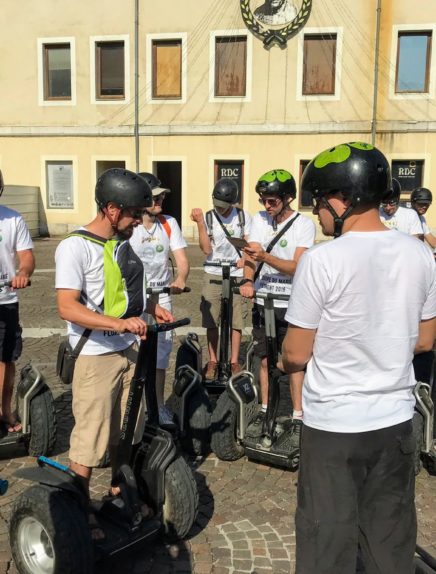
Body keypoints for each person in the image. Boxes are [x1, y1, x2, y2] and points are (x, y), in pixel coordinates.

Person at [281, 142, 436, 573]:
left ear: (341, 199)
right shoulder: (421, 254)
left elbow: (296, 352)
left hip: (334, 426)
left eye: (318, 203)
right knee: (389, 540)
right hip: (395, 420)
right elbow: (425, 341)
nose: (316, 214)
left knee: (326, 539)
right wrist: (381, 348)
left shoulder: (321, 260)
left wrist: (284, 362)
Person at [55, 168, 173, 508]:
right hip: (95, 356)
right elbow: (67, 306)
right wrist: (116, 324)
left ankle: (118, 494)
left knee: (126, 432)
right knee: (90, 438)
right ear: (111, 209)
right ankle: (80, 513)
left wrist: (152, 307)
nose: (139, 220)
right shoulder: (75, 247)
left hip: (128, 352)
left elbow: (124, 288)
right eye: (135, 213)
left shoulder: (119, 243)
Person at [239, 169, 316, 443]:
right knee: (263, 357)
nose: (267, 206)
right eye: (263, 201)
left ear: (288, 198)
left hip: (291, 303)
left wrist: (266, 257)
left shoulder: (304, 225)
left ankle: (298, 416)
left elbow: (297, 267)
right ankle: (264, 410)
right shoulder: (259, 219)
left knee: (294, 362)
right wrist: (248, 280)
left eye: (272, 201)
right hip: (265, 300)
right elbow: (252, 255)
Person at [130, 172, 189, 424]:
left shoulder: (168, 223)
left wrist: (181, 279)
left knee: (162, 352)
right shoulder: (130, 225)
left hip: (161, 295)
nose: (160, 200)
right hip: (134, 298)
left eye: (162, 196)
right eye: (155, 196)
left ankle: (157, 406)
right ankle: (132, 406)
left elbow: (182, 259)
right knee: (132, 350)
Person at [191, 178, 252, 378]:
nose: (221, 209)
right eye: (217, 205)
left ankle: (234, 361)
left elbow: (250, 245)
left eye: (224, 207)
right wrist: (200, 223)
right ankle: (213, 360)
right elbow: (206, 249)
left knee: (236, 320)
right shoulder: (209, 218)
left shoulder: (243, 217)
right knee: (211, 319)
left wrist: (245, 259)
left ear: (233, 203)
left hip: (236, 274)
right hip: (213, 272)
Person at [0, 169, 35, 433]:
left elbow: (26, 257)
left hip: (5, 298)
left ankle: (5, 411)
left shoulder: (12, 219)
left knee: (6, 358)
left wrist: (23, 273)